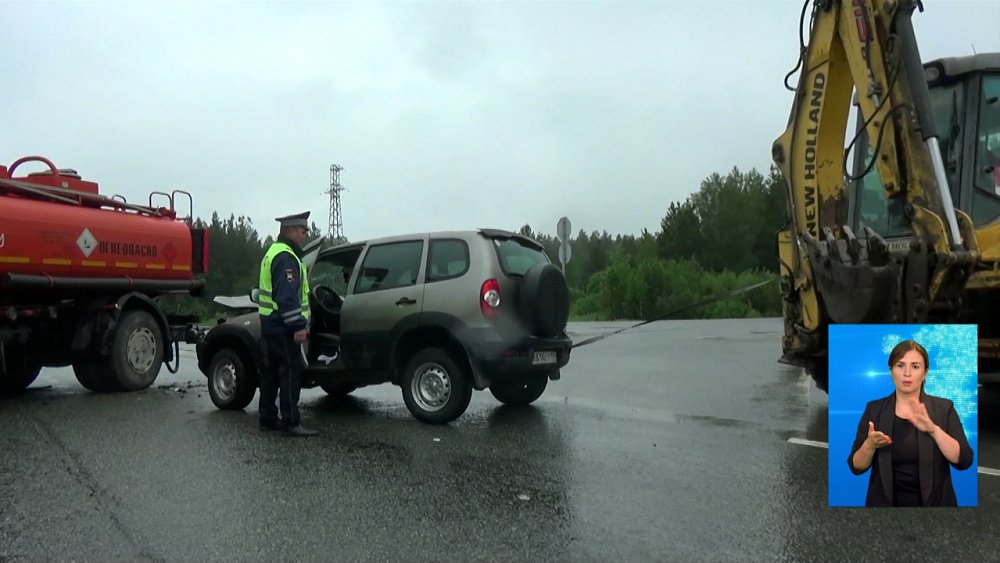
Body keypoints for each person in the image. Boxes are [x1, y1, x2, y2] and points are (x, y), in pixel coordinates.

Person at [847, 339, 973, 506]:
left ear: (925, 372)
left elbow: (964, 461)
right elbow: (856, 467)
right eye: (900, 366)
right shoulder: (874, 410)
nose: (907, 373)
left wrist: (934, 430)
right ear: (891, 371)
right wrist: (869, 445)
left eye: (915, 366)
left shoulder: (944, 409)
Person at [257, 211, 317, 437]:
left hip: (269, 324)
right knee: (291, 370)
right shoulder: (286, 257)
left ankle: (267, 418)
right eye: (303, 231)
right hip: (282, 326)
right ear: (291, 230)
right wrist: (299, 326)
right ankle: (290, 422)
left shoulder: (273, 253)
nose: (305, 234)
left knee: (271, 372)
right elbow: (287, 297)